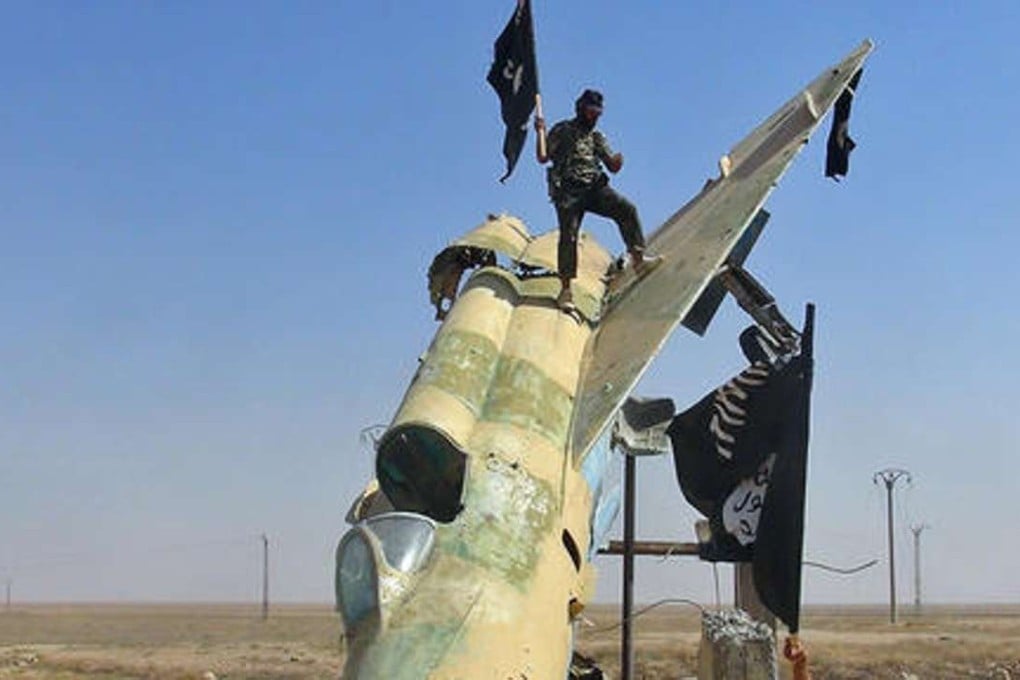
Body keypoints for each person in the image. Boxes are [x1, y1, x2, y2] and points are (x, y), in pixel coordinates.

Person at [535, 88, 658, 311]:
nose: (595, 117)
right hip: (568, 193)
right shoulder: (563, 130)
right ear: (581, 109)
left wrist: (617, 162)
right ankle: (565, 291)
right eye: (591, 112)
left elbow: (611, 164)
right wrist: (540, 132)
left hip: (594, 188)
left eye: (598, 113)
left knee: (626, 209)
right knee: (569, 237)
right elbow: (543, 157)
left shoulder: (596, 137)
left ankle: (638, 261)